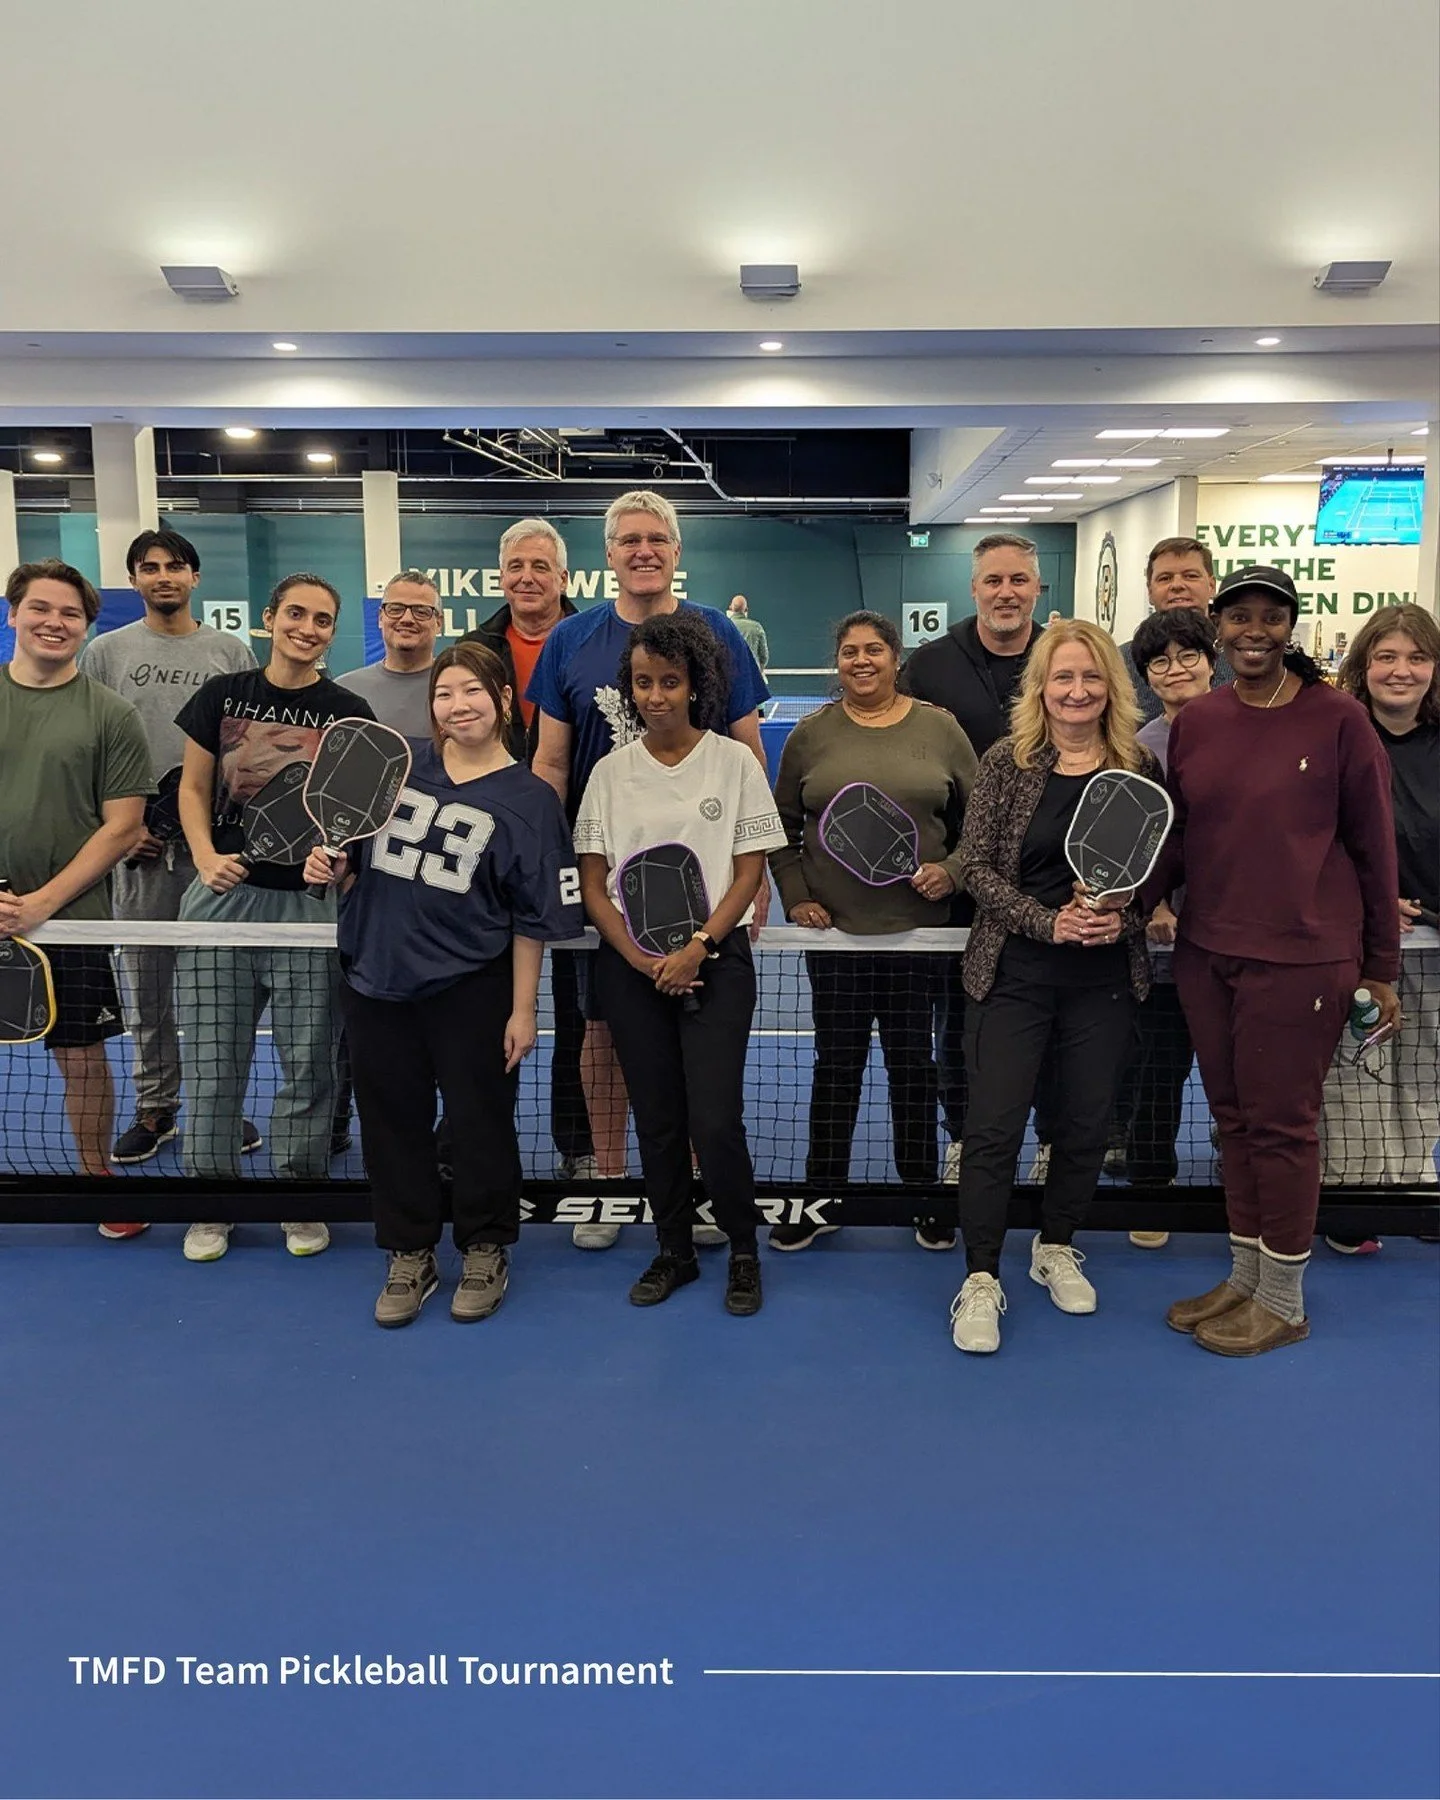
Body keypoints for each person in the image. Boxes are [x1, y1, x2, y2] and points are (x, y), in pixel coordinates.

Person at [1156, 566, 1400, 1356]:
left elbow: (1374, 850)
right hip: (1206, 955)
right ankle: (1245, 1278)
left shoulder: (1340, 720)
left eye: (1270, 618)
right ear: (1217, 627)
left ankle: (1284, 1300)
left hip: (1303, 960)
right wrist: (1123, 895)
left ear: (1290, 626)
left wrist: (1380, 968)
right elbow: (1180, 841)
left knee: (1282, 1128)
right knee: (1233, 1123)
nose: (1254, 631)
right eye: (1239, 618)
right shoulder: (1199, 721)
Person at [305, 641, 583, 1326]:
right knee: (391, 1125)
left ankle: (486, 1246)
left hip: (472, 989)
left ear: (500, 700)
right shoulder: (395, 768)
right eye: (444, 693)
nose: (457, 706)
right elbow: (354, 863)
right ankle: (409, 1251)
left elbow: (531, 919)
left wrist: (524, 1010)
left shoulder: (529, 800)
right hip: (374, 980)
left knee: (481, 1124)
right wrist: (328, 868)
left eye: (471, 692)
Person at [529, 489, 769, 1250]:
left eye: (656, 539)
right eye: (628, 540)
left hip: (705, 883)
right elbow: (551, 762)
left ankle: (695, 1187)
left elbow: (747, 754)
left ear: (674, 550)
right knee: (599, 1032)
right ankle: (607, 1177)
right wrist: (549, 870)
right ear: (609, 554)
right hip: (602, 884)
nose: (643, 551)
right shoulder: (571, 639)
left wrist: (752, 885)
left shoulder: (720, 632)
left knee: (694, 1039)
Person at [947, 620, 1158, 1355]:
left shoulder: (1138, 769)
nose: (1076, 691)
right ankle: (979, 1278)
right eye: (1063, 678)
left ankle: (1056, 1245)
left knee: (1085, 1124)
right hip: (1014, 973)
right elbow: (972, 866)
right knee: (995, 1130)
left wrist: (1123, 909)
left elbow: (1156, 868)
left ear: (1111, 688)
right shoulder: (1008, 762)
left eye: (1091, 678)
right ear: (1041, 687)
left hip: (1102, 979)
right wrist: (1047, 921)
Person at [574, 610, 785, 1315]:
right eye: (642, 682)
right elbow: (596, 882)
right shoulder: (608, 773)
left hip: (716, 969)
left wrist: (698, 948)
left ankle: (744, 1252)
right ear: (628, 688)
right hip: (633, 974)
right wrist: (639, 958)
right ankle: (674, 1251)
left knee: (715, 1120)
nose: (656, 695)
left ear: (695, 685)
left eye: (669, 681)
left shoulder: (734, 762)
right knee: (658, 1121)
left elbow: (749, 872)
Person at [174, 572, 376, 1263]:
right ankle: (212, 1201)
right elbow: (193, 787)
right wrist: (204, 857)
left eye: (322, 619)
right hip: (221, 902)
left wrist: (337, 864)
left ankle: (299, 1194)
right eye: (296, 614)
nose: (308, 628)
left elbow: (351, 824)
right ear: (269, 619)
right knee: (211, 1058)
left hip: (309, 909)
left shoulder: (349, 713)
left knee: (311, 1059)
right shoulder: (220, 697)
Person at [770, 610, 977, 1252]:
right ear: (839, 662)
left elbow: (980, 826)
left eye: (875, 650)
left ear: (895, 657)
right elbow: (778, 827)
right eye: (850, 652)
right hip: (834, 939)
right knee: (837, 1066)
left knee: (914, 1067)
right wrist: (797, 897)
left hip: (920, 940)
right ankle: (819, 1197)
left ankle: (923, 1196)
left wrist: (952, 871)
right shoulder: (810, 735)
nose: (862, 662)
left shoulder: (940, 729)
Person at [80, 529, 258, 1171]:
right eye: (150, 568)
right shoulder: (105, 653)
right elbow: (92, 746)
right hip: (139, 849)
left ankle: (216, 1104)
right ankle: (156, 1106)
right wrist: (123, 828)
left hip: (211, 848)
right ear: (133, 580)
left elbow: (246, 751)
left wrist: (216, 831)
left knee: (214, 987)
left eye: (175, 566)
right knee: (148, 984)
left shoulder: (229, 650)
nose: (164, 577)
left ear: (195, 578)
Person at [0, 560, 151, 1232]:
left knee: (81, 1061)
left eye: (70, 614)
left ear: (88, 627)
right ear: (13, 615)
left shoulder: (110, 714)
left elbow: (123, 826)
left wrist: (40, 906)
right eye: (41, 608)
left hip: (72, 924)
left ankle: (97, 1181)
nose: (54, 623)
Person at [900, 533, 1049, 1186]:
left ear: (1037, 588)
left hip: (1050, 880)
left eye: (1018, 580)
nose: (1006, 592)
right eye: (994, 581)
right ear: (974, 589)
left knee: (1050, 1015)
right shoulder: (930, 666)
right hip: (957, 885)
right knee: (959, 1019)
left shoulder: (1064, 658)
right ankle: (960, 1137)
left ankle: (1050, 1140)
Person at [461, 520, 590, 1181]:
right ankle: (475, 1144)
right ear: (501, 575)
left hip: (571, 859)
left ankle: (579, 1145)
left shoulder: (589, 642)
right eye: (516, 565)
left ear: (563, 578)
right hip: (483, 863)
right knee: (484, 1003)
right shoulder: (473, 649)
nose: (527, 577)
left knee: (574, 1008)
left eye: (542, 566)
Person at [1317, 604, 1440, 1239]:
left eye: (1416, 658)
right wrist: (1371, 901)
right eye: (1387, 657)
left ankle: (1417, 1190)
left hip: (1434, 947)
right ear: (1364, 667)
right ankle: (1355, 1199)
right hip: (1358, 944)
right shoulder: (1336, 736)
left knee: (1425, 1071)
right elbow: (1314, 836)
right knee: (1359, 1068)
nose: (1401, 671)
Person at [1112, 606, 1219, 1247]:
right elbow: (1130, 844)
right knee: (1156, 1073)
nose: (1176, 669)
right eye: (1161, 661)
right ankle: (1151, 1190)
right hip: (1159, 953)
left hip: (1236, 944)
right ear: (1148, 676)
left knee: (1240, 1077)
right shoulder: (1137, 747)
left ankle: (1249, 1193)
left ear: (1211, 661)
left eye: (1188, 655)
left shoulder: (1254, 731)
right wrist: (1152, 906)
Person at [1118, 538, 1234, 725]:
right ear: (1150, 591)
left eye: (1190, 576)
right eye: (1165, 578)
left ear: (1211, 586)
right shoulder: (1120, 661)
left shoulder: (1240, 656)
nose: (1177, 585)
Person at [339, 570, 443, 737]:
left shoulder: (459, 690)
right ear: (381, 618)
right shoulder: (346, 690)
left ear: (439, 623)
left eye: (421, 611)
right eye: (395, 609)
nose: (407, 619)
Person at [727, 595, 769, 672]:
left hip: (730, 674)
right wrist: (758, 671)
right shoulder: (756, 627)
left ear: (730, 608)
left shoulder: (724, 626)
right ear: (746, 609)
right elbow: (764, 656)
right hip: (751, 674)